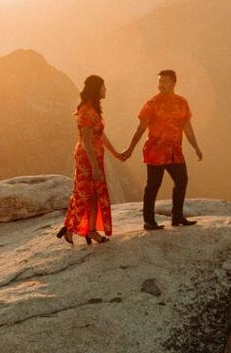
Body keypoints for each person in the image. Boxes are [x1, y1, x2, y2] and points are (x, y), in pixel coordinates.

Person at [122, 69, 203, 230]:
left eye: (164, 81)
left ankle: (177, 216)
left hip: (175, 153)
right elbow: (141, 128)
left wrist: (196, 147)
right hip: (155, 152)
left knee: (181, 180)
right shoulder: (152, 103)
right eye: (159, 81)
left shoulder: (182, 103)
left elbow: (188, 128)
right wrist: (130, 148)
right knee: (153, 186)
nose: (161, 85)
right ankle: (149, 221)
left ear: (173, 82)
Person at [57, 75, 124, 244]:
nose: (105, 90)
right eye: (103, 87)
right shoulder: (86, 111)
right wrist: (94, 167)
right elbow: (86, 141)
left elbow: (100, 136)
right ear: (96, 89)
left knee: (93, 195)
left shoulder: (93, 109)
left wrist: (115, 153)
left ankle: (89, 230)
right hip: (87, 159)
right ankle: (72, 229)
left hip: (95, 157)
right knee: (84, 194)